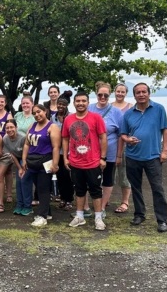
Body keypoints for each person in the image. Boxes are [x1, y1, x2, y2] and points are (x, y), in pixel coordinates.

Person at [120, 82, 167, 233]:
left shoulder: (159, 109)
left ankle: (162, 220)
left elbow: (165, 130)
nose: (141, 95)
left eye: (144, 92)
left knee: (157, 188)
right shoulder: (128, 113)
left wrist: (165, 150)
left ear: (149, 93)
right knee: (135, 188)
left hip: (153, 156)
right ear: (134, 95)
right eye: (138, 92)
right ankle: (139, 214)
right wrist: (127, 139)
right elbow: (123, 133)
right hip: (133, 156)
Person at [62, 91, 107, 230]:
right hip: (75, 162)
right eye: (78, 101)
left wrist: (103, 158)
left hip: (93, 161)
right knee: (79, 190)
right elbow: (65, 138)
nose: (80, 103)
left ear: (88, 102)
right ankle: (79, 216)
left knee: (96, 190)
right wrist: (65, 157)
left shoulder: (96, 118)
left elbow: (103, 137)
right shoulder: (68, 119)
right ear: (74, 103)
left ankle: (98, 218)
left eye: (83, 101)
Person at [87, 82, 124, 218]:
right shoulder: (89, 108)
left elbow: (121, 135)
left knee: (107, 178)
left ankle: (102, 207)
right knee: (90, 179)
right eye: (100, 94)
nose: (103, 97)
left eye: (106, 95)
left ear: (110, 95)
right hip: (90, 151)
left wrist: (119, 155)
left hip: (110, 150)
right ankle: (89, 205)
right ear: (96, 94)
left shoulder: (116, 112)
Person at [21, 104, 61, 227]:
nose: (37, 115)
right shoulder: (32, 126)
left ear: (45, 111)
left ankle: (42, 216)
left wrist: (55, 164)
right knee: (38, 187)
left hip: (46, 161)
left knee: (44, 189)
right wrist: (24, 159)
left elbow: (56, 147)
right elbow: (27, 144)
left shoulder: (52, 127)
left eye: (39, 112)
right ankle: (47, 212)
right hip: (32, 162)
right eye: (34, 113)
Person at [112, 83, 133, 213]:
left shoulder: (130, 107)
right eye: (118, 91)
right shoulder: (109, 107)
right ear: (114, 92)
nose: (120, 94)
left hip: (125, 145)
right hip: (111, 144)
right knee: (107, 174)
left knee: (124, 174)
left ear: (126, 93)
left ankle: (125, 201)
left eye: (122, 92)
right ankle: (105, 198)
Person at [50, 92, 74, 211]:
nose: (60, 106)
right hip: (55, 151)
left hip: (67, 151)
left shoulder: (71, 117)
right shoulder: (52, 117)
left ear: (67, 105)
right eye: (59, 104)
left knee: (67, 176)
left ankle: (69, 199)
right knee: (59, 175)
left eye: (63, 104)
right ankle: (63, 198)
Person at [2, 120, 28, 215]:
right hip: (17, 158)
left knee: (24, 180)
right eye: (7, 128)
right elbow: (12, 154)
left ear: (16, 127)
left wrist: (23, 166)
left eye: (12, 127)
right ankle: (19, 204)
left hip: (27, 157)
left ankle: (27, 206)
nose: (9, 130)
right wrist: (19, 168)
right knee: (18, 181)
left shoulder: (22, 138)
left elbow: (26, 152)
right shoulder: (5, 139)